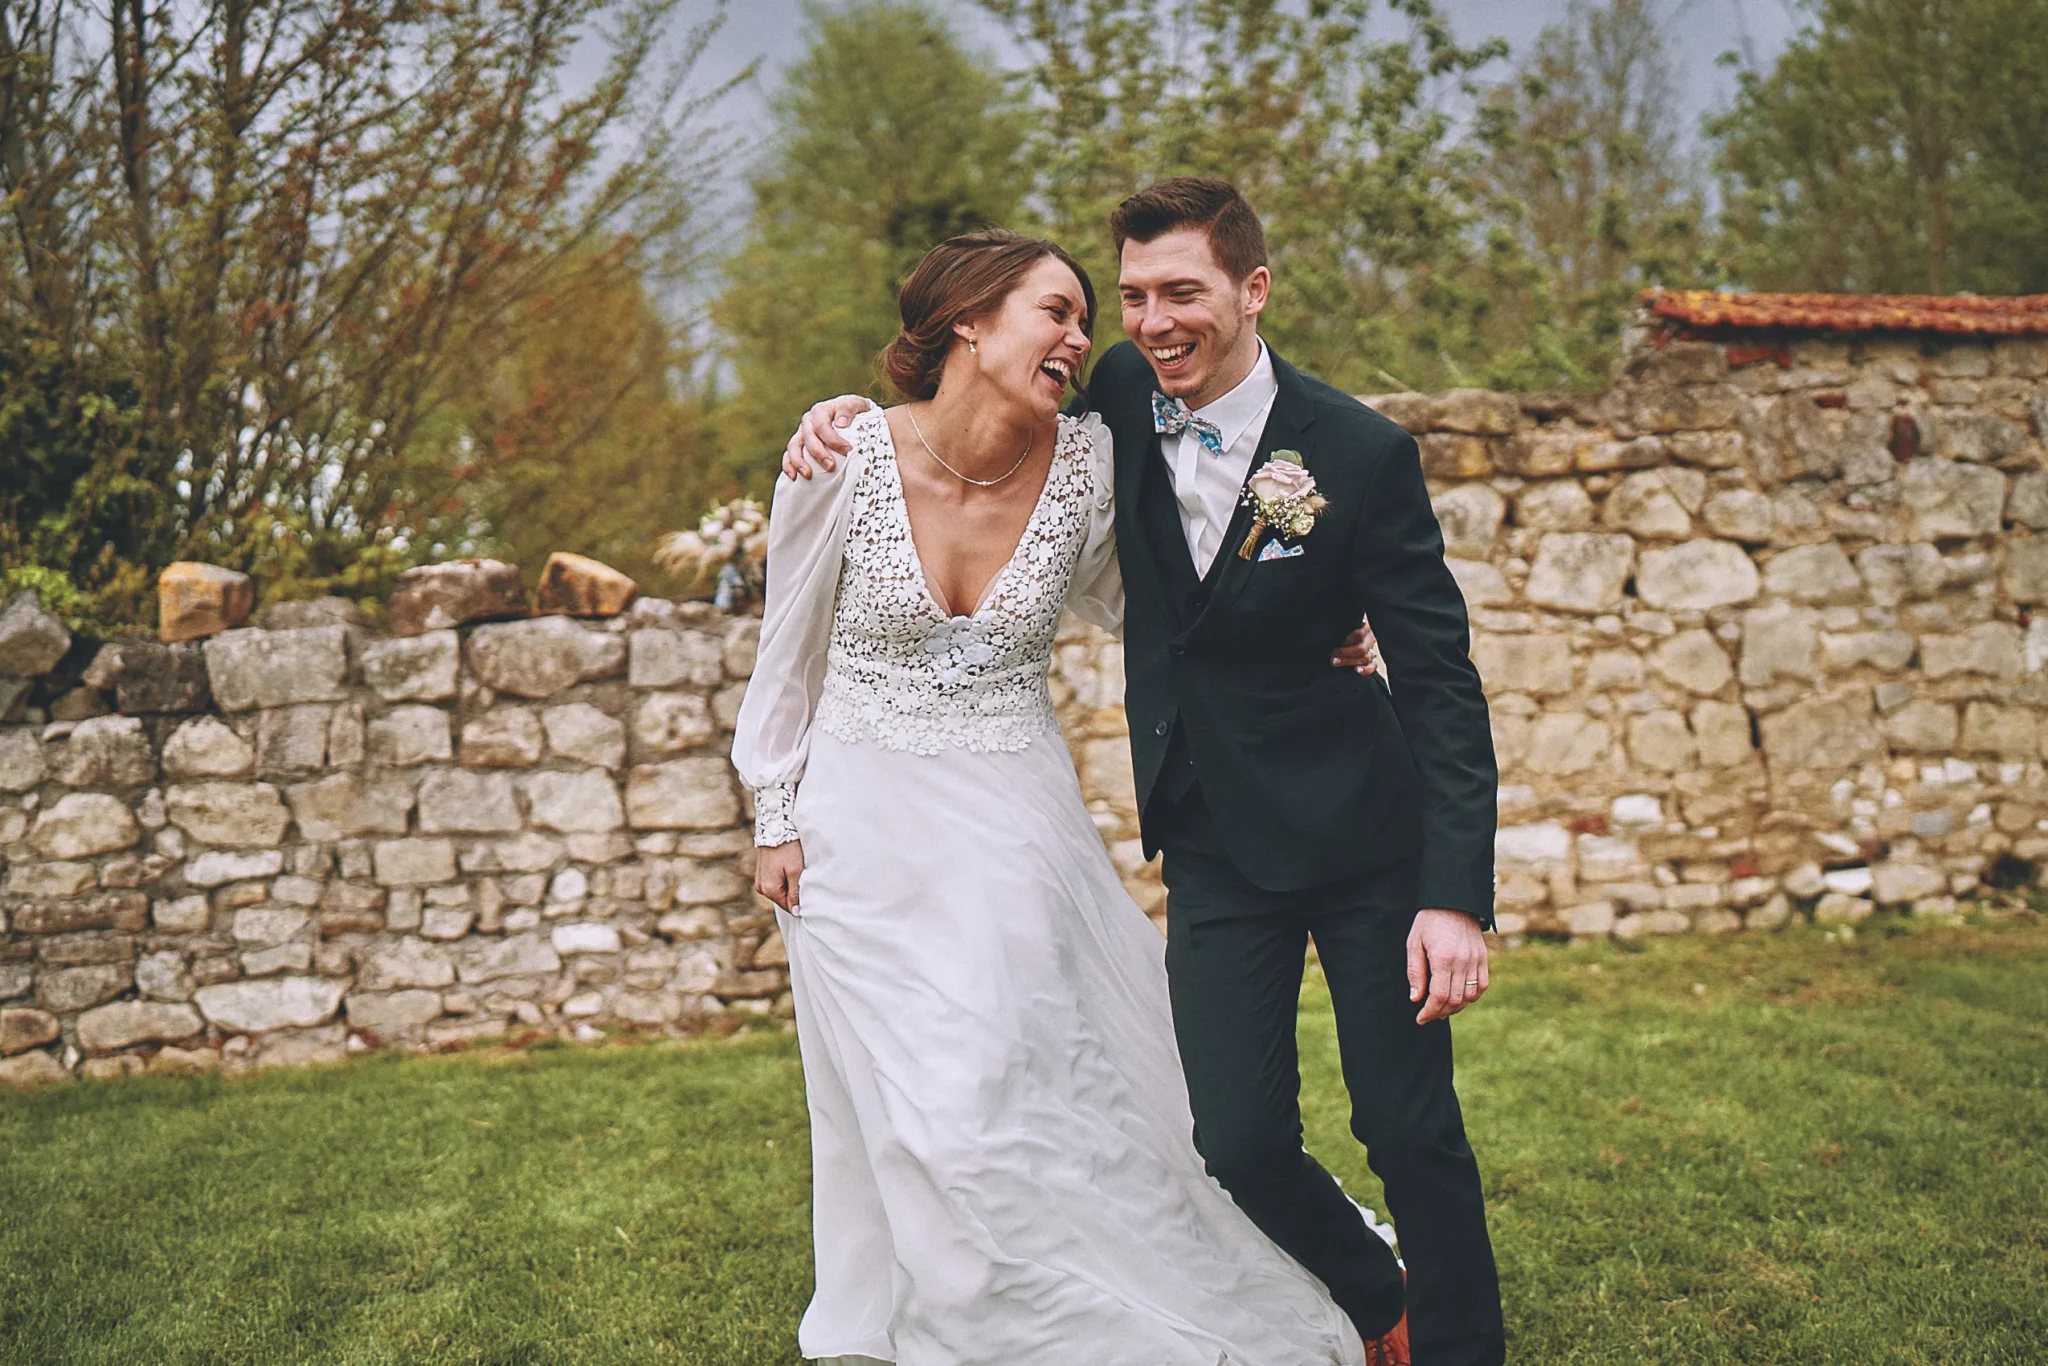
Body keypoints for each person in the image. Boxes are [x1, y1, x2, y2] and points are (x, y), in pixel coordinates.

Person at [785, 179, 1505, 1366]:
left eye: (1182, 292)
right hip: (1215, 836)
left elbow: (1440, 686)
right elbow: (969, 426)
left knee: (1406, 1123)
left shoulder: (1361, 454)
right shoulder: (1112, 391)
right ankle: (1377, 1291)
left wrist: (1453, 894)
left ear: (1250, 289)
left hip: (1362, 834)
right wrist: (837, 416)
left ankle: (1461, 1348)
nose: (1152, 321)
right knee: (1232, 1134)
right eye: (1132, 297)